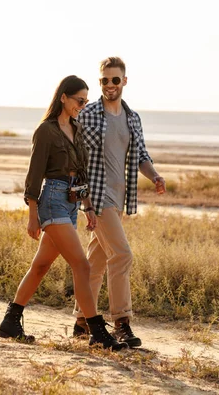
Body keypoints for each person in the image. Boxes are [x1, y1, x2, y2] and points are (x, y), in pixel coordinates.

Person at [0, 75, 128, 351]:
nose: (82, 105)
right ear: (63, 98)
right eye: (79, 100)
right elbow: (34, 175)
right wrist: (32, 215)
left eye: (86, 101)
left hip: (71, 202)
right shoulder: (46, 130)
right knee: (82, 265)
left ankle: (10, 321)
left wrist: (88, 206)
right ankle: (95, 331)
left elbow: (80, 174)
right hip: (52, 200)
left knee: (41, 266)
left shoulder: (77, 129)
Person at [72, 57, 166, 348]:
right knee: (122, 255)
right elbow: (75, 155)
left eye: (115, 80)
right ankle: (121, 323)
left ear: (124, 81)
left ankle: (81, 321)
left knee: (97, 262)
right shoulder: (87, 115)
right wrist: (82, 197)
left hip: (120, 198)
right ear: (100, 83)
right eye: (104, 81)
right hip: (97, 199)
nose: (110, 85)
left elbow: (141, 156)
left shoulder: (132, 118)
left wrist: (155, 175)